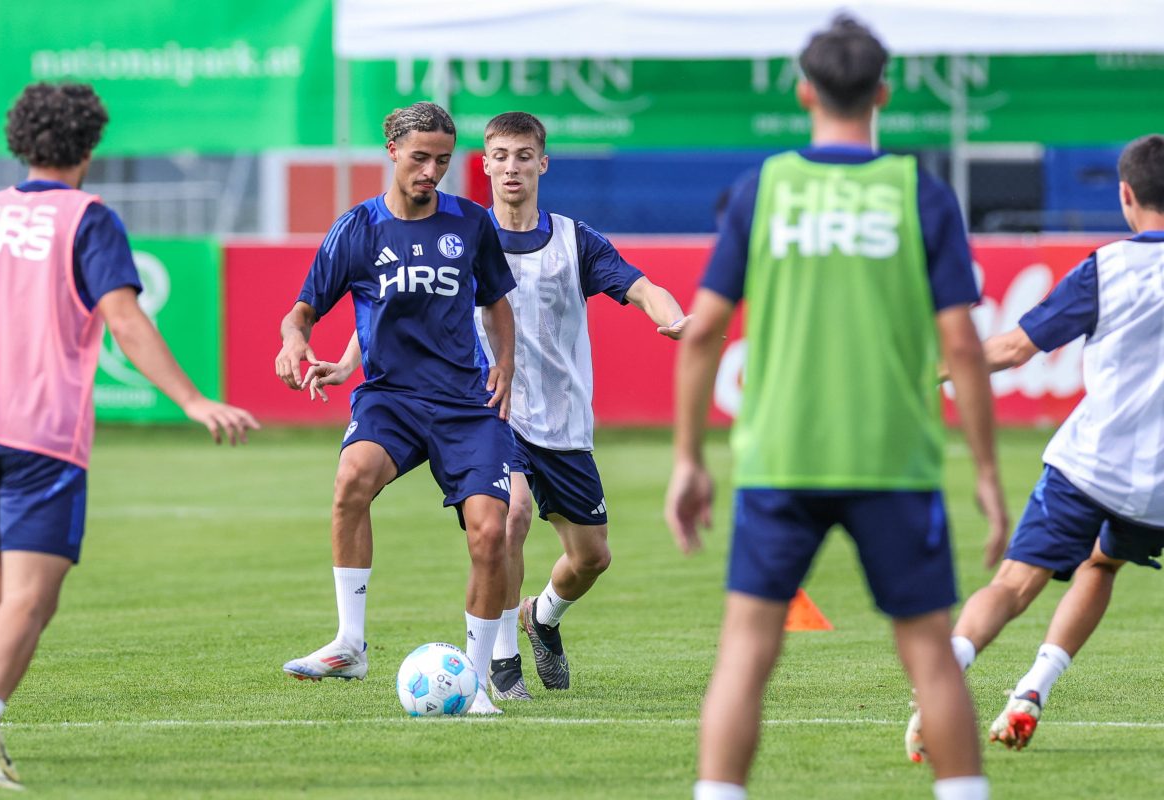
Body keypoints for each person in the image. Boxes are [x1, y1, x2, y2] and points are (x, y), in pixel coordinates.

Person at [664, 15, 1006, 800]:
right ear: (884, 92)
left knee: (746, 651)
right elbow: (961, 345)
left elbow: (704, 330)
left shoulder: (764, 190)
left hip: (781, 456)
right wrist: (986, 471)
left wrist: (689, 459)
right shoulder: (919, 193)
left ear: (803, 91)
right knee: (926, 652)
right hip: (893, 457)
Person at [303, 111, 690, 699]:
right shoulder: (450, 228)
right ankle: (499, 665)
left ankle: (542, 618)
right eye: (500, 156)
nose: (511, 167)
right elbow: (394, 300)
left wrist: (672, 317)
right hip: (489, 406)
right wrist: (350, 360)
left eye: (523, 156)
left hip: (562, 423)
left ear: (541, 164)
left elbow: (641, 287)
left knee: (591, 558)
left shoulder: (571, 240)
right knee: (508, 516)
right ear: (485, 164)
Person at [0, 82, 259, 790]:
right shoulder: (87, 218)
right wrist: (190, 399)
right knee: (33, 595)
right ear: (91, 147)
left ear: (19, 140)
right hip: (37, 432)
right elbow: (124, 317)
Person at [922, 133, 1164, 752]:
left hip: (1087, 466)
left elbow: (1013, 348)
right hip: (1157, 492)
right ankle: (1034, 686)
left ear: (1126, 195)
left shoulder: (1109, 267)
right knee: (1101, 562)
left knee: (1012, 583)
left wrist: (930, 369)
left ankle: (945, 679)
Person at [274, 102, 517, 715]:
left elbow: (496, 303)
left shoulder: (473, 223)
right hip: (391, 399)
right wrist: (294, 341)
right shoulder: (356, 229)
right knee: (351, 479)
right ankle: (350, 643)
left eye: (442, 159)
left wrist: (506, 362)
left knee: (492, 533)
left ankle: (478, 679)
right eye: (420, 158)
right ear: (391, 151)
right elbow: (303, 309)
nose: (431, 170)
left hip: (465, 404)